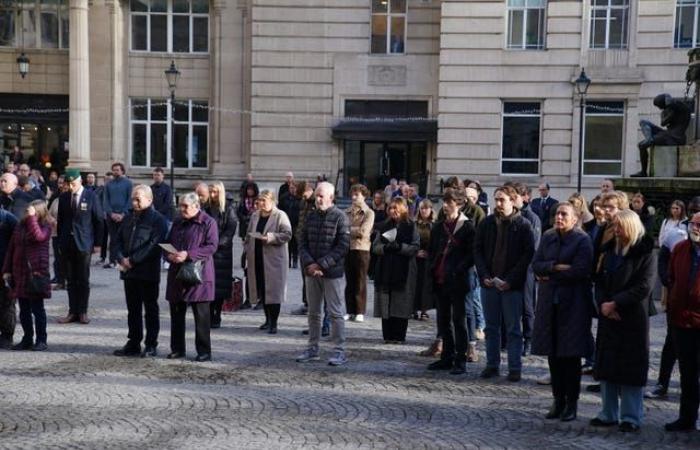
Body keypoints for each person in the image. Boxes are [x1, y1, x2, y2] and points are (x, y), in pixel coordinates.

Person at [590, 209, 654, 432]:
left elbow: (644, 286)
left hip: (632, 318)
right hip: (609, 317)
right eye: (613, 226)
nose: (615, 231)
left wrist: (616, 303)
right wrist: (603, 305)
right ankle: (607, 413)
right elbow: (598, 281)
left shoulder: (644, 252)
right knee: (607, 367)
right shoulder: (608, 251)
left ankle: (630, 417)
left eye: (619, 226)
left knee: (630, 369)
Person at [532, 202, 594, 422]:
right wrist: (556, 266)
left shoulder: (582, 240)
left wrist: (550, 272)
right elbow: (536, 265)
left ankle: (572, 403)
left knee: (570, 357)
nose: (558, 217)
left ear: (574, 219)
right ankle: (557, 400)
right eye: (557, 214)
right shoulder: (548, 237)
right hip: (550, 304)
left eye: (563, 214)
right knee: (553, 356)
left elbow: (581, 270)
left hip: (573, 306)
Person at [474, 185, 535, 382]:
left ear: (513, 200)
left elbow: (527, 257)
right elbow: (478, 250)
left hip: (512, 286)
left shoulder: (524, 225)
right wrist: (483, 275)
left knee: (513, 329)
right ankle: (492, 365)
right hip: (489, 283)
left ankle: (514, 367)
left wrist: (510, 281)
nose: (498, 204)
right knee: (491, 328)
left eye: (502, 200)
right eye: (496, 199)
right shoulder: (487, 223)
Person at [296, 182, 350, 366]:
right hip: (311, 272)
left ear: (331, 197)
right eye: (316, 195)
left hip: (332, 273)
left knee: (335, 313)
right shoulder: (311, 216)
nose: (317, 199)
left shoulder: (340, 217)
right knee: (313, 312)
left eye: (321, 196)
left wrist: (322, 264)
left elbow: (342, 246)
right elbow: (301, 242)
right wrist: (310, 264)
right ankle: (312, 348)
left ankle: (339, 350)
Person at [112, 185, 168, 357]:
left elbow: (154, 245)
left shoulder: (157, 220)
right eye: (133, 199)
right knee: (133, 309)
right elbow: (117, 241)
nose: (134, 202)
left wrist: (133, 260)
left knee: (150, 309)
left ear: (149, 200)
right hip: (129, 272)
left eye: (138, 199)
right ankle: (134, 341)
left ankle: (151, 344)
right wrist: (121, 258)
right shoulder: (128, 218)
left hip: (147, 271)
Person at [164, 192, 218, 362]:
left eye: (185, 206)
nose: (182, 209)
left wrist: (188, 254)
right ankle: (177, 348)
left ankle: (204, 350)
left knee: (201, 316)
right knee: (176, 313)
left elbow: (211, 247)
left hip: (199, 274)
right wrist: (169, 255)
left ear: (196, 206)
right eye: (180, 206)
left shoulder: (208, 222)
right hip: (177, 274)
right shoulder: (178, 221)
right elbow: (168, 242)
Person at [427, 189, 476, 374]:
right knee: (443, 320)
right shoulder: (439, 227)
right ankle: (446, 357)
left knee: (459, 320)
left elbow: (472, 254)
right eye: (444, 202)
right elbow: (432, 250)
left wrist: (458, 269)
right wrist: (433, 267)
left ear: (459, 203)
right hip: (440, 279)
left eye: (449, 202)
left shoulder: (467, 227)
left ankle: (460, 359)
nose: (445, 205)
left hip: (458, 280)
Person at [664, 212, 700, 431]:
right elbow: (671, 278)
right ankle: (686, 418)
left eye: (699, 224)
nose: (695, 228)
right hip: (681, 321)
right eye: (693, 223)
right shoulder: (680, 249)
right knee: (687, 373)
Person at [56, 168, 104, 325]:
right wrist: (61, 241)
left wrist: (98, 243)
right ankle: (72, 311)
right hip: (67, 243)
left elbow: (98, 221)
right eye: (68, 184)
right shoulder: (63, 197)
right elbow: (61, 221)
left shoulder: (91, 196)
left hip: (84, 243)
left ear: (80, 181)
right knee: (70, 279)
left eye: (74, 184)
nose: (71, 187)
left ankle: (82, 311)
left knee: (82, 279)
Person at [372, 197, 418, 344]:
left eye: (395, 208)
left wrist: (401, 247)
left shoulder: (411, 226)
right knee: (386, 302)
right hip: (386, 268)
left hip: (404, 269)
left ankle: (399, 335)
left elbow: (415, 246)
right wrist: (385, 248)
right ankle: (388, 335)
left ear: (403, 209)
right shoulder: (384, 225)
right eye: (391, 208)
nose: (392, 211)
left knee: (401, 302)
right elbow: (375, 246)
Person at [245, 190, 292, 334]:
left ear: (272, 201)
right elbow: (248, 232)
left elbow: (287, 234)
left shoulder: (280, 215)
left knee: (273, 291)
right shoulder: (255, 215)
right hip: (257, 257)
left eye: (264, 200)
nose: (261, 203)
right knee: (263, 290)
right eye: (259, 200)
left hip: (274, 259)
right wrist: (247, 246)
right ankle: (267, 320)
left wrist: (270, 237)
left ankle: (274, 322)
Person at [205, 181, 238, 329]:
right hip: (207, 252)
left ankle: (217, 314)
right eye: (210, 191)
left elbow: (230, 231)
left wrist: (215, 245)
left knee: (219, 286)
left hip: (221, 253)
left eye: (215, 192)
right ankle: (209, 314)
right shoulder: (206, 208)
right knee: (207, 284)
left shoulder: (229, 209)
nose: (212, 195)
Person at [344, 184, 374, 323]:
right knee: (349, 281)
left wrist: (350, 231)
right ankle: (350, 310)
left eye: (357, 194)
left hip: (362, 249)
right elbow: (342, 229)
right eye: (353, 194)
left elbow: (364, 232)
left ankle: (360, 311)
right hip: (348, 248)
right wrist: (351, 230)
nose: (354, 197)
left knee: (360, 281)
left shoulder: (369, 213)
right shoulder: (346, 212)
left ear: (364, 196)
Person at [103, 162, 133, 268]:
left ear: (122, 171)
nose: (115, 172)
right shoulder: (108, 184)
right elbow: (106, 200)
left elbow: (130, 200)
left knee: (125, 238)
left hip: (124, 216)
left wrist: (123, 214)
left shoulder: (128, 183)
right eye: (114, 170)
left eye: (117, 170)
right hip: (111, 216)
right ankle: (112, 260)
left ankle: (123, 260)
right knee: (113, 239)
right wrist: (111, 213)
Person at [414, 199, 435, 321]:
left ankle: (424, 310)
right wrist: (416, 251)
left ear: (431, 209)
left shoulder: (435, 224)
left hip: (428, 258)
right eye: (422, 208)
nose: (424, 210)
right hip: (415, 257)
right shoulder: (414, 223)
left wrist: (428, 253)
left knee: (425, 285)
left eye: (426, 208)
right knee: (415, 284)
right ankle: (413, 308)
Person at [0, 207, 17, 349]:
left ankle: (7, 335)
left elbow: (17, 244)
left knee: (7, 303)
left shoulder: (8, 219)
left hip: (5, 268)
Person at [279, 182, 301, 269]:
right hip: (286, 223)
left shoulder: (300, 198)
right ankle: (287, 261)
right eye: (291, 188)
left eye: (294, 188)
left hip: (296, 224)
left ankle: (295, 260)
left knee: (295, 243)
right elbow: (280, 209)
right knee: (287, 244)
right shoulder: (284, 197)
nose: (292, 189)